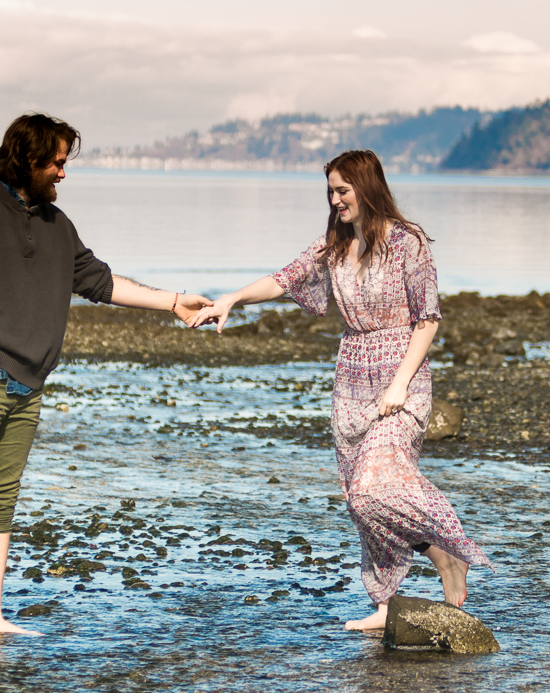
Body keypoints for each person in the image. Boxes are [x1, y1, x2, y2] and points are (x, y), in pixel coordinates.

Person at [0, 113, 211, 643]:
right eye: (56, 162)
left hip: (28, 380)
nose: (63, 172)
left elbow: (98, 281)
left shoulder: (57, 223)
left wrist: (173, 302)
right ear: (28, 158)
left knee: (0, 498)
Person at [186, 149, 489, 630]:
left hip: (401, 378)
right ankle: (386, 604)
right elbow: (284, 279)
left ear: (366, 187)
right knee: (358, 499)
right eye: (330, 191)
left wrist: (399, 385)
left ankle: (447, 554)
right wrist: (233, 298)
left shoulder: (407, 243)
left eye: (342, 190)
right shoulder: (334, 245)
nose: (334, 200)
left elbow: (428, 320)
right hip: (351, 381)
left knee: (377, 486)